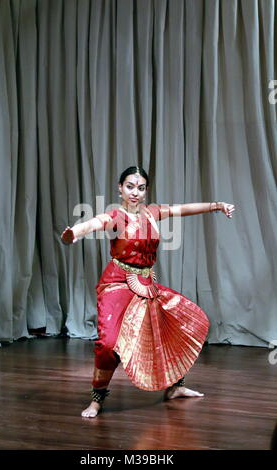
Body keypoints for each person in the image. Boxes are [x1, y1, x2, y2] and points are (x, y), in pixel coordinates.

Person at [61, 166, 235, 418]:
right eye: (130, 186)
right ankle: (97, 399)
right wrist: (74, 233)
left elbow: (182, 209)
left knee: (172, 327)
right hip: (117, 283)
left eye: (141, 188)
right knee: (108, 344)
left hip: (145, 282)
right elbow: (95, 223)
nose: (135, 192)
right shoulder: (116, 217)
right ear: (119, 188)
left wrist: (217, 205)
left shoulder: (152, 213)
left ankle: (176, 387)